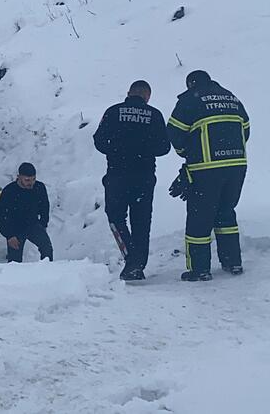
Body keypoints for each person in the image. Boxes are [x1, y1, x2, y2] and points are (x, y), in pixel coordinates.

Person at [168, 70, 250, 281]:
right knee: (226, 212)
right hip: (237, 166)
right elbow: (246, 129)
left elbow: (175, 133)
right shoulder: (231, 97)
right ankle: (233, 262)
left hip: (206, 168)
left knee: (199, 216)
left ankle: (200, 269)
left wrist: (188, 154)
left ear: (191, 84)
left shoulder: (190, 100)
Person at [92, 80, 171, 281]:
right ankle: (138, 265)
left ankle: (132, 260)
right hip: (144, 176)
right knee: (142, 221)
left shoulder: (113, 112)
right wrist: (144, 149)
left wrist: (116, 149)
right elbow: (164, 147)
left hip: (117, 174)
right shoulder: (155, 115)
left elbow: (99, 140)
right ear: (147, 96)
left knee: (115, 217)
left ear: (129, 93)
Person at [0, 163, 53, 262]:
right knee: (14, 262)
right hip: (14, 229)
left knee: (47, 247)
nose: (31, 183)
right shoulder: (9, 191)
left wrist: (43, 224)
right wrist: (9, 235)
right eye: (27, 180)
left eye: (33, 179)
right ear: (19, 177)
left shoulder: (39, 188)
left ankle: (47, 271)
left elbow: (45, 207)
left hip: (33, 224)